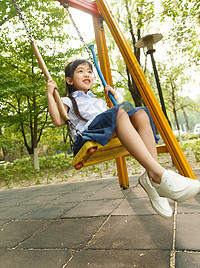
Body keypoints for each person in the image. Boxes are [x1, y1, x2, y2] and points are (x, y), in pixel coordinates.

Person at [47, 59, 200, 219]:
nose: (87, 74)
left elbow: (121, 122)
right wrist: (50, 94)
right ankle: (158, 174)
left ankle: (152, 178)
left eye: (89, 71)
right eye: (80, 71)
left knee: (140, 113)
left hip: (106, 129)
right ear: (69, 80)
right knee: (118, 112)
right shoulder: (67, 100)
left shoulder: (97, 100)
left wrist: (115, 99)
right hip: (87, 135)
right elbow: (58, 120)